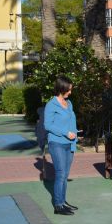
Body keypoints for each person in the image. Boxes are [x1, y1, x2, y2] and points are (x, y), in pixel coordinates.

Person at [44, 75, 79, 216]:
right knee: (61, 173)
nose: (70, 92)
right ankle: (58, 205)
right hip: (57, 143)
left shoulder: (69, 103)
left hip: (69, 143)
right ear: (61, 88)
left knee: (65, 175)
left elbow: (71, 122)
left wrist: (75, 135)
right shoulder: (51, 105)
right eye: (68, 90)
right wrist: (65, 132)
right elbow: (48, 125)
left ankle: (63, 201)